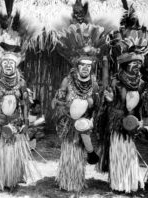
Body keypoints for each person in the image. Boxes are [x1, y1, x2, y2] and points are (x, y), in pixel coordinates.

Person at [50, 0, 121, 192]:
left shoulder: (94, 84)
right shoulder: (68, 81)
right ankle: (67, 181)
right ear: (76, 65)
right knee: (71, 148)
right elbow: (56, 103)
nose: (84, 69)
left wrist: (98, 103)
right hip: (69, 123)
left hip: (84, 124)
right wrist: (65, 108)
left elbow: (98, 106)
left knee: (81, 147)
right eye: (81, 65)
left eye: (88, 67)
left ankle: (77, 179)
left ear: (91, 68)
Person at [0, 0, 40, 191]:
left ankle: (13, 177)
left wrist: (27, 100)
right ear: (1, 64)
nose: (7, 65)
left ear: (15, 65)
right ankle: (0, 178)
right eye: (5, 63)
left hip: (15, 121)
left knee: (14, 149)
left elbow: (25, 100)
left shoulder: (20, 82)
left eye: (11, 63)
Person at [103, 29, 148, 193]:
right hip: (118, 122)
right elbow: (108, 105)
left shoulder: (140, 84)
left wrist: (142, 122)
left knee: (129, 151)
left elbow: (143, 107)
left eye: (139, 64)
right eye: (134, 64)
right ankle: (118, 183)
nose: (137, 67)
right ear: (125, 64)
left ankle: (130, 182)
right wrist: (109, 100)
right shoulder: (116, 81)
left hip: (131, 124)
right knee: (119, 151)